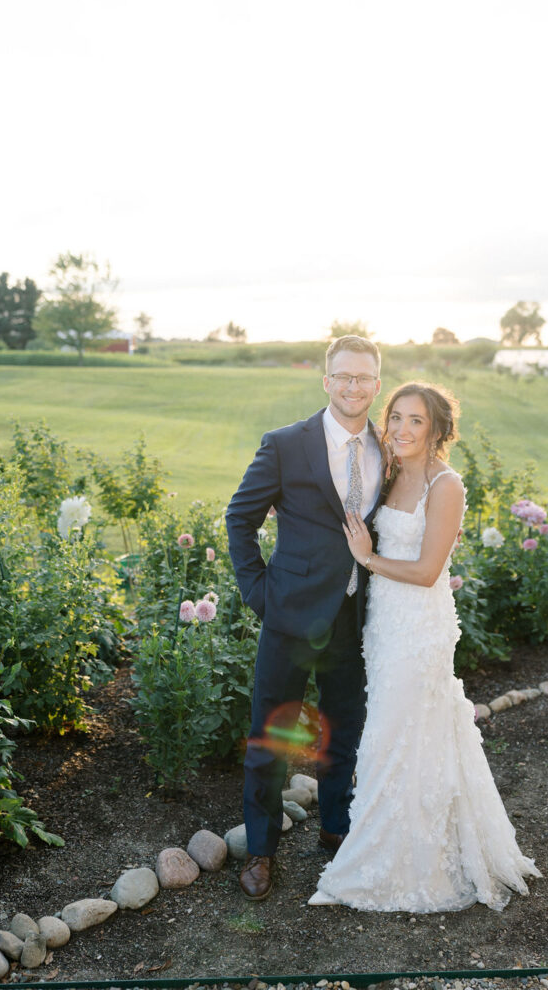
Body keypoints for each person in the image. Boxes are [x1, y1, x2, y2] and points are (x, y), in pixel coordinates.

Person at [309, 382, 541, 912]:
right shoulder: (388, 474)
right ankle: (385, 839)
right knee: (388, 733)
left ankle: (418, 861)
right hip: (383, 626)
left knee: (407, 729)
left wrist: (367, 559)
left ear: (437, 429)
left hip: (420, 628)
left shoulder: (446, 485)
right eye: (396, 418)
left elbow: (428, 570)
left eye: (416, 421)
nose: (402, 430)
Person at [225, 334, 384, 901]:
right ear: (326, 380)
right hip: (288, 617)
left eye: (363, 378)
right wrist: (260, 594)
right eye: (343, 376)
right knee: (271, 739)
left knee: (343, 733)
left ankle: (337, 833)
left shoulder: (387, 449)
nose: (352, 387)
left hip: (353, 617)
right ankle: (262, 852)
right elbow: (239, 519)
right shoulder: (286, 444)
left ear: (376, 384)